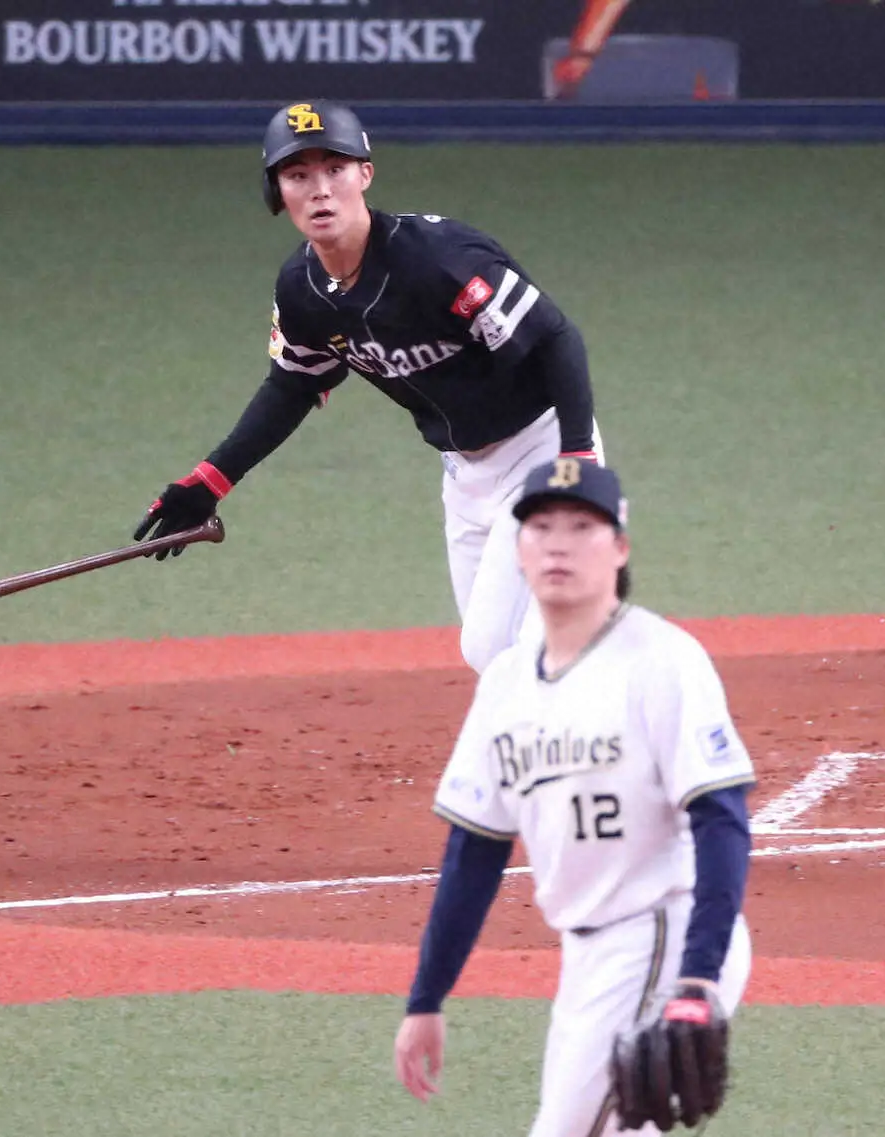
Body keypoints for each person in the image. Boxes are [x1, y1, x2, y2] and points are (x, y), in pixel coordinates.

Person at [132, 98, 604, 674]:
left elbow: (554, 338)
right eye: (298, 175)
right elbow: (292, 387)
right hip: (464, 474)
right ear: (276, 193)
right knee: (488, 653)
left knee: (530, 650)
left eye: (335, 169)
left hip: (542, 450)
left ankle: (628, 710)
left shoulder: (441, 260)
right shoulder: (303, 290)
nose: (320, 190)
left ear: (365, 175)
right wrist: (211, 480)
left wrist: (578, 459)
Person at [393, 458, 756, 1136]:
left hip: (663, 937)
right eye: (541, 527)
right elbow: (475, 850)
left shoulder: (661, 660)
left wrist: (698, 977)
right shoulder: (506, 683)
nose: (558, 544)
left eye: (581, 527)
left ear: (619, 547)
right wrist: (426, 997)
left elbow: (721, 820)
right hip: (589, 958)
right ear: (517, 550)